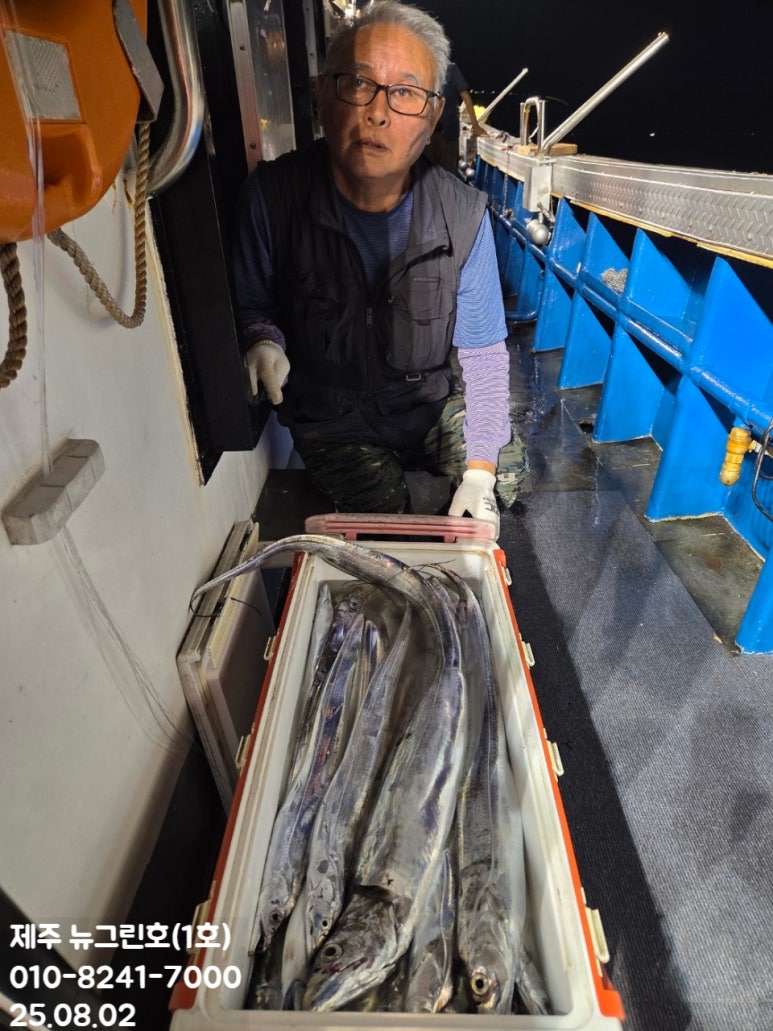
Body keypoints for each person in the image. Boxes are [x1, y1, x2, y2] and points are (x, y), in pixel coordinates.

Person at [233, 0, 525, 537]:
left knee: (505, 474)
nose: (377, 113)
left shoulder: (463, 215)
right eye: (358, 83)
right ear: (323, 94)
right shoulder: (272, 197)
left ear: (433, 118)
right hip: (332, 419)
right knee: (385, 514)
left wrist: (481, 472)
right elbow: (253, 303)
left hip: (426, 407)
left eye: (405, 93)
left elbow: (484, 360)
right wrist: (262, 340)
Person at [424, 61, 488, 174]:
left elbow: (466, 97)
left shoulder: (451, 69)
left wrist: (475, 126)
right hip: (429, 135)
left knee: (445, 175)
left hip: (448, 135)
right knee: (428, 174)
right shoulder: (425, 67)